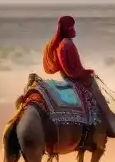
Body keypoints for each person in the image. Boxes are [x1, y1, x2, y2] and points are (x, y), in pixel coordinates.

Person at [41, 15, 100, 147]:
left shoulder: (62, 43)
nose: (73, 29)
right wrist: (86, 73)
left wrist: (84, 71)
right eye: (71, 27)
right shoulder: (66, 45)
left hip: (69, 77)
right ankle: (92, 128)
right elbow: (70, 71)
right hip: (73, 79)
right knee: (95, 97)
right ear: (66, 28)